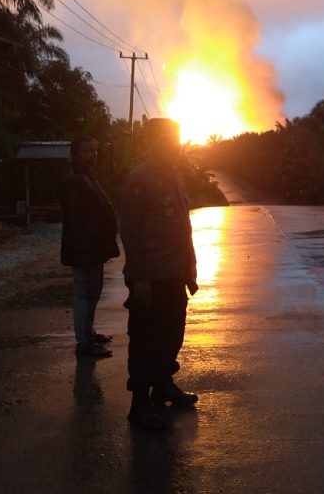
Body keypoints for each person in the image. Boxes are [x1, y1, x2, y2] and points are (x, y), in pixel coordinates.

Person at [119, 118, 199, 432]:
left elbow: (183, 227)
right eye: (167, 139)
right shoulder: (140, 180)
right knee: (145, 340)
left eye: (176, 139)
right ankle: (139, 406)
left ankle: (163, 386)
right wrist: (139, 277)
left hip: (174, 274)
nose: (174, 145)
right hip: (151, 278)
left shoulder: (176, 177)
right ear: (152, 143)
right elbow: (130, 232)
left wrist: (190, 266)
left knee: (172, 335)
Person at [59, 136, 120, 358]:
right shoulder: (73, 181)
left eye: (94, 151)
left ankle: (89, 333)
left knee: (93, 292)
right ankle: (84, 342)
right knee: (84, 294)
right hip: (85, 250)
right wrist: (83, 251)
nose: (91, 155)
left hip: (94, 249)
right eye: (86, 151)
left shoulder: (87, 177)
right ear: (74, 154)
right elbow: (74, 221)